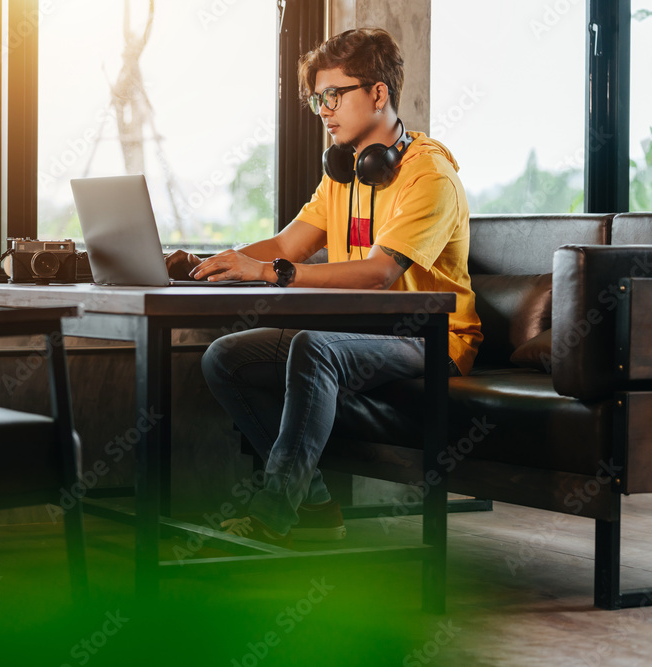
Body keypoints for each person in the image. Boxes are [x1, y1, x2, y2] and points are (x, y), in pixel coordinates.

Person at [165, 27, 482, 545]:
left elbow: (380, 273)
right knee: (224, 357)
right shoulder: (345, 173)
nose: (323, 110)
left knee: (313, 348)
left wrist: (270, 273)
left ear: (378, 93)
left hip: (430, 338)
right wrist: (219, 263)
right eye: (318, 99)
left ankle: (273, 513)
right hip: (361, 333)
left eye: (334, 95)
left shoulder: (430, 176)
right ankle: (313, 508)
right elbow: (288, 246)